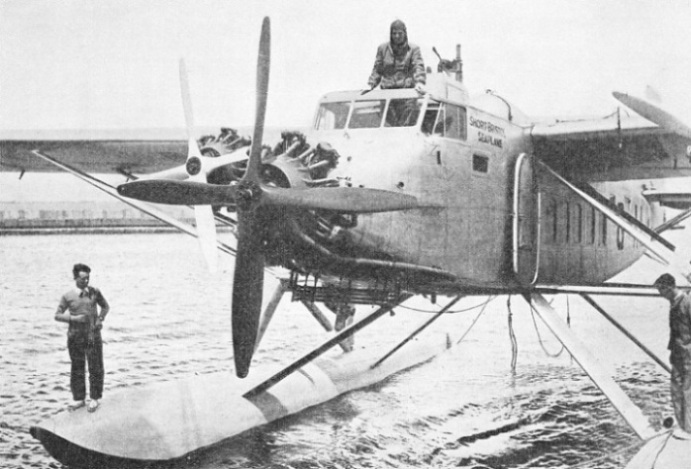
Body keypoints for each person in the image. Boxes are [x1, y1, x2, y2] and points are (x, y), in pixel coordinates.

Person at [55, 263, 110, 412]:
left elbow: (105, 306)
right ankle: (79, 399)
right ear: (75, 278)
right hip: (75, 337)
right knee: (77, 368)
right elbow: (57, 315)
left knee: (95, 366)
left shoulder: (94, 292)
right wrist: (74, 318)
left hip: (92, 336)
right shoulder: (68, 296)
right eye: (82, 279)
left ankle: (94, 398)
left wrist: (100, 319)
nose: (86, 282)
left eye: (87, 278)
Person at [654, 273, 691, 439]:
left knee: (687, 392)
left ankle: (689, 429)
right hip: (678, 356)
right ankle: (683, 426)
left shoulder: (687, 303)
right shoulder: (673, 303)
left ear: (668, 288)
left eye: (660, 290)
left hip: (688, 356)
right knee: (676, 391)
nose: (660, 294)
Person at [367, 20, 426, 94]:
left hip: (407, 94)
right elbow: (377, 70)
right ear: (390, 34)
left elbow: (418, 67)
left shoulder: (413, 49)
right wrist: (370, 84)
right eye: (394, 33)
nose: (397, 36)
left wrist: (420, 82)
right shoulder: (382, 49)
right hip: (387, 93)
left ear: (405, 33)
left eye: (400, 33)